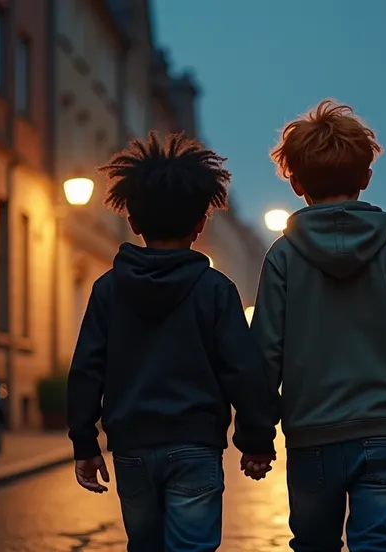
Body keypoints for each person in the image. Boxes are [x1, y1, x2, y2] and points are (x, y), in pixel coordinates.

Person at [251, 99, 386, 551]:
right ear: (366, 177)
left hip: (312, 432)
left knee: (314, 543)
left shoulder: (283, 257)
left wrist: (257, 436)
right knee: (377, 543)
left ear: (296, 182)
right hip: (384, 430)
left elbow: (265, 351)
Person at [66, 131, 277, 552]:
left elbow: (87, 368)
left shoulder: (108, 290)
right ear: (201, 224)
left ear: (133, 221)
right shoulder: (215, 290)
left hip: (132, 448)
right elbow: (243, 369)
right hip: (195, 444)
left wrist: (85, 442)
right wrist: (256, 440)